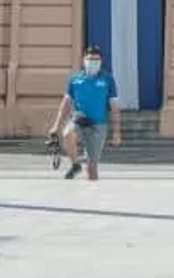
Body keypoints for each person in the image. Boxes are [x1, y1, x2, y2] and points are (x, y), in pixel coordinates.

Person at [49, 45, 120, 181]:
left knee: (91, 167)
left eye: (96, 59)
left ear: (101, 61)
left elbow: (114, 106)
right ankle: (76, 164)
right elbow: (65, 104)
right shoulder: (75, 79)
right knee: (67, 133)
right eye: (90, 59)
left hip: (98, 125)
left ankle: (93, 195)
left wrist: (116, 132)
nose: (93, 62)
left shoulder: (107, 79)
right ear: (84, 60)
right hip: (79, 119)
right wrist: (56, 126)